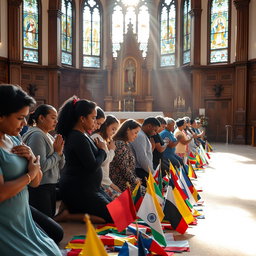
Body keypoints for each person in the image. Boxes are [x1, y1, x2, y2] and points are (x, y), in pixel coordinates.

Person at [0, 84, 62, 256]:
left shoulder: (14, 138)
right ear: (1, 116)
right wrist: (30, 174)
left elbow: (36, 181)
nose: (25, 124)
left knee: (53, 251)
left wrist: (32, 159)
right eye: (20, 118)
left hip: (22, 218)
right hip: (5, 224)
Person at [55, 97, 112, 223]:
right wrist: (102, 151)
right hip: (79, 190)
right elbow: (92, 166)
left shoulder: (82, 134)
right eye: (93, 117)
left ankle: (74, 210)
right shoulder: (77, 137)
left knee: (118, 211)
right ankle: (68, 215)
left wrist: (100, 150)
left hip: (91, 188)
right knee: (114, 217)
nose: (95, 121)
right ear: (82, 119)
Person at [22, 104, 65, 218]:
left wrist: (60, 151)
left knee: (50, 218)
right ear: (41, 118)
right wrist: (57, 153)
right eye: (52, 117)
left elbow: (61, 165)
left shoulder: (49, 136)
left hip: (50, 185)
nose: (56, 121)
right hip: (40, 186)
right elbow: (41, 166)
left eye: (56, 118)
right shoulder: (37, 135)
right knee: (45, 225)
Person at [110, 119, 144, 192]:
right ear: (128, 130)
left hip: (127, 181)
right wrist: (134, 180)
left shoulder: (125, 144)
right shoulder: (120, 144)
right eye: (135, 132)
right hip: (121, 183)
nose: (136, 136)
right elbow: (124, 167)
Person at [91, 115, 121, 199]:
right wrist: (112, 150)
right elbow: (103, 161)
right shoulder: (97, 138)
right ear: (105, 125)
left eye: (116, 130)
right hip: (101, 182)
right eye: (113, 128)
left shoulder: (102, 139)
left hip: (104, 180)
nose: (114, 132)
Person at [130, 117, 160, 185]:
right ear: (149, 126)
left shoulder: (143, 135)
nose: (155, 133)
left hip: (144, 169)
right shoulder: (140, 136)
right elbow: (142, 158)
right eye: (155, 130)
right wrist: (152, 172)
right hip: (140, 170)